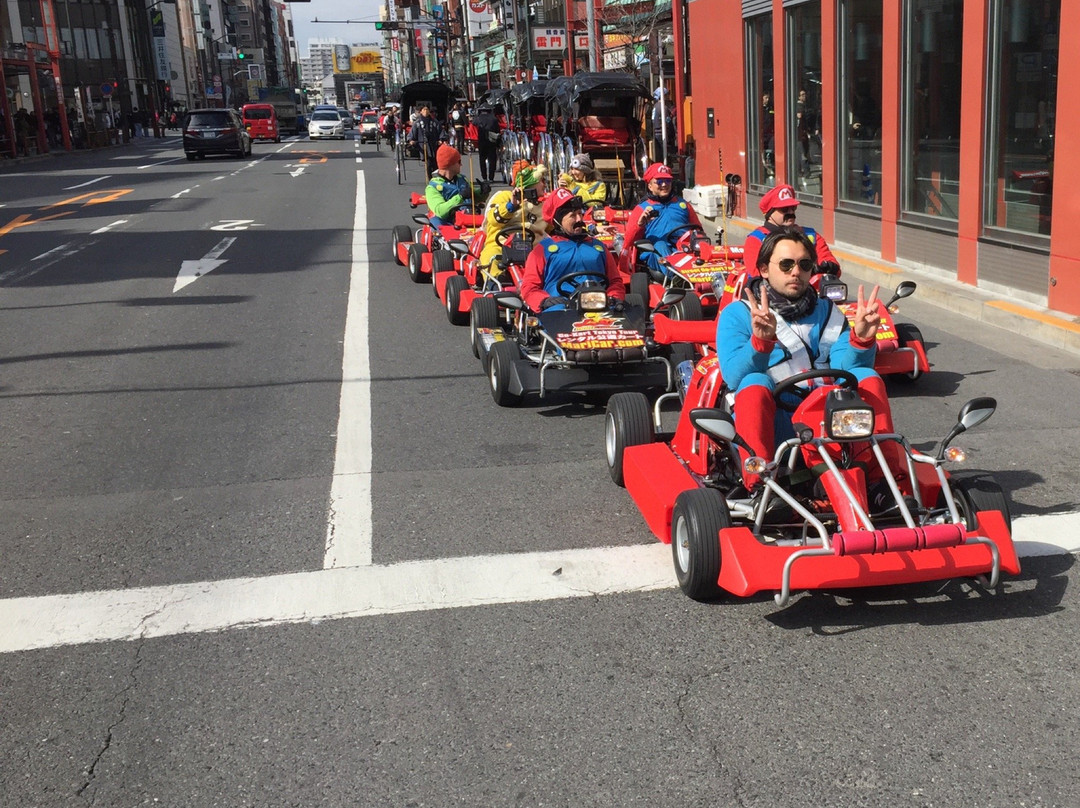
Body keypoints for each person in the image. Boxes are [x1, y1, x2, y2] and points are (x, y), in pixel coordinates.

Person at [717, 226, 897, 489]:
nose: (796, 272)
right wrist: (761, 342)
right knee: (753, 382)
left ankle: (886, 478)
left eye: (804, 264)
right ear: (765, 269)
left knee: (866, 376)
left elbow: (847, 369)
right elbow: (733, 376)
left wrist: (861, 339)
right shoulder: (739, 314)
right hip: (777, 419)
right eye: (786, 264)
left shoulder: (829, 312)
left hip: (832, 421)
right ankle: (760, 485)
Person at [519, 188, 626, 313]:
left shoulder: (599, 247)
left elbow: (615, 281)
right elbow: (529, 287)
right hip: (560, 307)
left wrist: (614, 297)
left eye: (580, 213)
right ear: (557, 221)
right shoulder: (542, 250)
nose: (579, 220)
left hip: (599, 304)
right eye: (572, 216)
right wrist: (544, 301)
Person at [620, 162, 702, 277]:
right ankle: (677, 277)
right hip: (655, 250)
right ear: (650, 186)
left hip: (683, 247)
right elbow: (628, 242)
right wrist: (640, 224)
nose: (664, 184)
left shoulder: (683, 204)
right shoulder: (641, 208)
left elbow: (699, 231)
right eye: (659, 181)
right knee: (660, 244)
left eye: (667, 181)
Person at [741, 183, 840, 277]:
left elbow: (829, 259)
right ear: (769, 214)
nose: (791, 212)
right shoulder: (756, 239)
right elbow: (756, 273)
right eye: (784, 209)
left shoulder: (811, 235)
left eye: (793, 208)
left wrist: (830, 266)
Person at [479, 160, 548, 278]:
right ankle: (497, 285)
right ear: (531, 182)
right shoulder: (504, 196)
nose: (545, 184)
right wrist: (511, 206)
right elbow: (492, 219)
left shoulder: (544, 205)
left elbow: (554, 225)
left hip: (535, 248)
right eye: (542, 181)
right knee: (491, 257)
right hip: (501, 245)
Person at [425, 144, 481, 227]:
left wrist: (483, 191)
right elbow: (440, 211)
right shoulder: (433, 187)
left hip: (469, 221)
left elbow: (472, 198)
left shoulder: (462, 179)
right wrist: (460, 197)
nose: (461, 165)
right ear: (450, 164)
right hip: (447, 225)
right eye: (459, 162)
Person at [472, 103, 501, 182]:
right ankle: (491, 177)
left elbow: (473, 123)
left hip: (482, 141)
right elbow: (497, 130)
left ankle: (484, 177)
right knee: (492, 159)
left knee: (482, 159)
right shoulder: (494, 119)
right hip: (491, 141)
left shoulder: (478, 118)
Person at [410, 105, 443, 173]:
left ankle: (436, 177)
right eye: (424, 110)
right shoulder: (417, 123)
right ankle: (430, 178)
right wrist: (411, 140)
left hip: (433, 144)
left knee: (435, 163)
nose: (426, 111)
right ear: (421, 111)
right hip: (423, 144)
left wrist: (441, 139)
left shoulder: (435, 122)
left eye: (427, 109)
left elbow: (441, 131)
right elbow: (412, 134)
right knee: (428, 164)